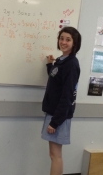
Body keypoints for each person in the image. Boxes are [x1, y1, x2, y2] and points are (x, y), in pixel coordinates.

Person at [41, 26, 81, 175]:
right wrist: (49, 65)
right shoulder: (61, 60)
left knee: (55, 156)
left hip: (59, 116)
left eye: (68, 39)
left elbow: (67, 95)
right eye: (61, 38)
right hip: (55, 113)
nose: (63, 42)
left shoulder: (71, 63)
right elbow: (56, 80)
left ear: (74, 43)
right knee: (53, 154)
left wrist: (55, 121)